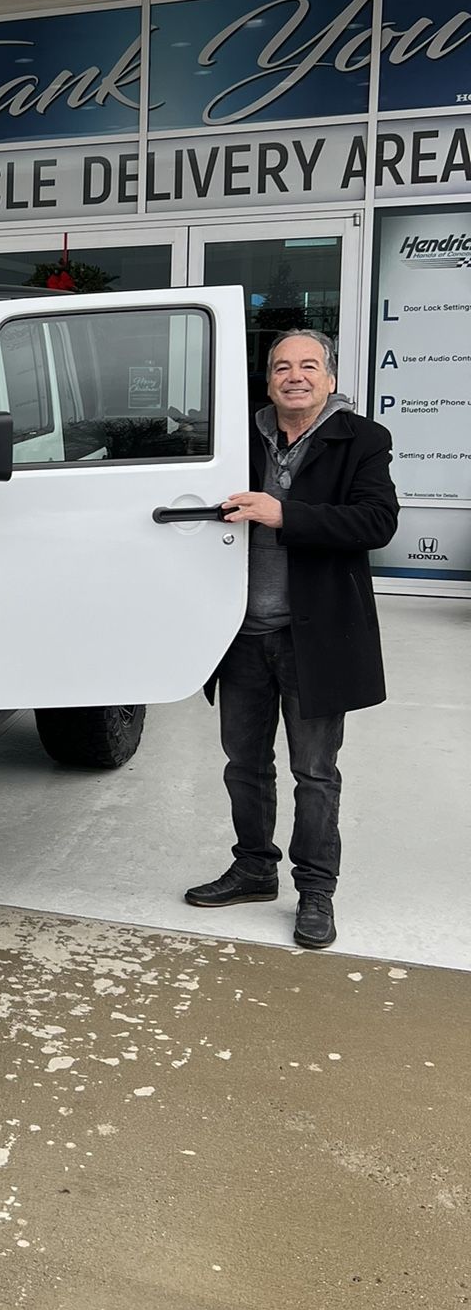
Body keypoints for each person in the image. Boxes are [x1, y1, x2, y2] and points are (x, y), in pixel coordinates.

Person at [184, 330, 398, 948]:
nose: (294, 376)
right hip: (242, 635)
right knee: (244, 766)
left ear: (329, 379)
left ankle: (316, 891)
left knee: (314, 771)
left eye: (309, 366)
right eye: (282, 366)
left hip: (316, 638)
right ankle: (254, 868)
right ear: (268, 378)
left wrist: (285, 514)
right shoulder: (235, 439)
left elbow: (377, 522)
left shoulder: (362, 439)